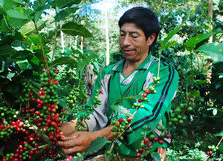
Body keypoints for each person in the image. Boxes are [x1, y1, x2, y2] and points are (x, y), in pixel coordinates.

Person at [57, 6, 179, 160]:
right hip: (112, 152)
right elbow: (95, 113)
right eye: (122, 35)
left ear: (150, 38)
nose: (125, 42)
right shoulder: (108, 73)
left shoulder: (163, 72)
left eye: (134, 36)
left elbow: (147, 114)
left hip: (146, 154)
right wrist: (66, 129)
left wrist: (94, 137)